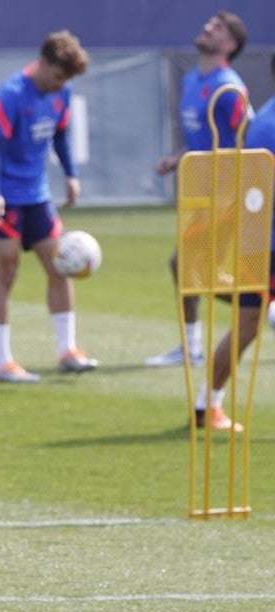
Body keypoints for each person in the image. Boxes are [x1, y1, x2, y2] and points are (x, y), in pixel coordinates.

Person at [0, 31, 95, 383]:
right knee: (6, 272)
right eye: (59, 75)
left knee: (59, 267)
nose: (61, 84)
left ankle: (68, 351)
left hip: (38, 196)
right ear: (43, 63)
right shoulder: (12, 93)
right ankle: (1, 362)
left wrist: (71, 175)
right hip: (3, 197)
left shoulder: (61, 91)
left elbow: (60, 134)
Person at [146, 11, 249, 368]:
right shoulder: (192, 79)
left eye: (218, 27)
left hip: (224, 189)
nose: (207, 27)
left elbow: (244, 139)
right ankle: (191, 348)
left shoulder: (229, 87)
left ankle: (259, 305)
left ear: (230, 45)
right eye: (208, 23)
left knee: (188, 267)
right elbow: (205, 140)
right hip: (198, 187)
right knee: (190, 270)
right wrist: (178, 159)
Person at [191, 53, 275, 431]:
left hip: (259, 238)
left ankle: (206, 403)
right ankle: (206, 404)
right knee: (247, 324)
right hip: (265, 240)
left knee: (248, 324)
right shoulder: (269, 125)